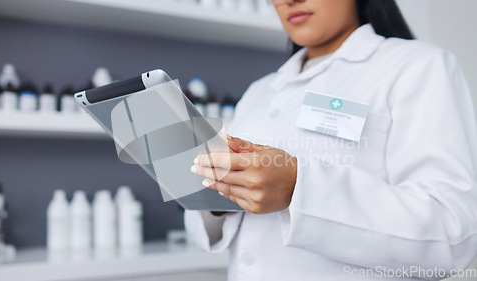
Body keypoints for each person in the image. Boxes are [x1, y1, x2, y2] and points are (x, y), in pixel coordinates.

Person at [185, 0, 477, 280]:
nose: (290, 0)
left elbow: (452, 234)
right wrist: (222, 194)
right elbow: (211, 229)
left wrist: (298, 188)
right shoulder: (260, 92)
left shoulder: (418, 66)